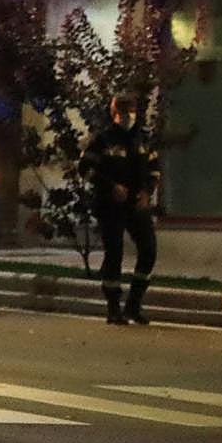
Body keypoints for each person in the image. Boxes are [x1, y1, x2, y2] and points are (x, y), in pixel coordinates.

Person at [79, 94, 160, 325]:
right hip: (110, 206)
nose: (127, 115)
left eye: (130, 110)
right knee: (114, 254)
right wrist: (110, 186)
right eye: (122, 111)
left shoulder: (143, 139)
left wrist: (148, 192)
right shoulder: (103, 140)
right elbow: (85, 168)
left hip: (137, 205)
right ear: (114, 112)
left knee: (149, 251)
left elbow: (154, 168)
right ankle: (113, 307)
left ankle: (134, 306)